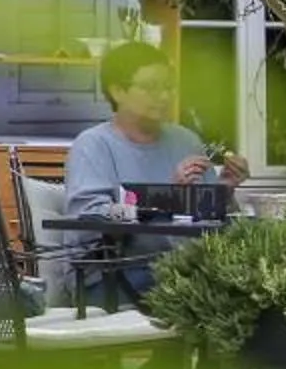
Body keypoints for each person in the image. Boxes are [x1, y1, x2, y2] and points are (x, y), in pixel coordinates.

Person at [64, 39, 248, 294]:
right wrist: (168, 198)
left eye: (168, 87)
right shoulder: (93, 145)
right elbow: (91, 218)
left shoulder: (186, 140)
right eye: (151, 87)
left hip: (181, 269)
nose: (164, 96)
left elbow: (209, 220)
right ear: (117, 91)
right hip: (111, 274)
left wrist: (223, 190)